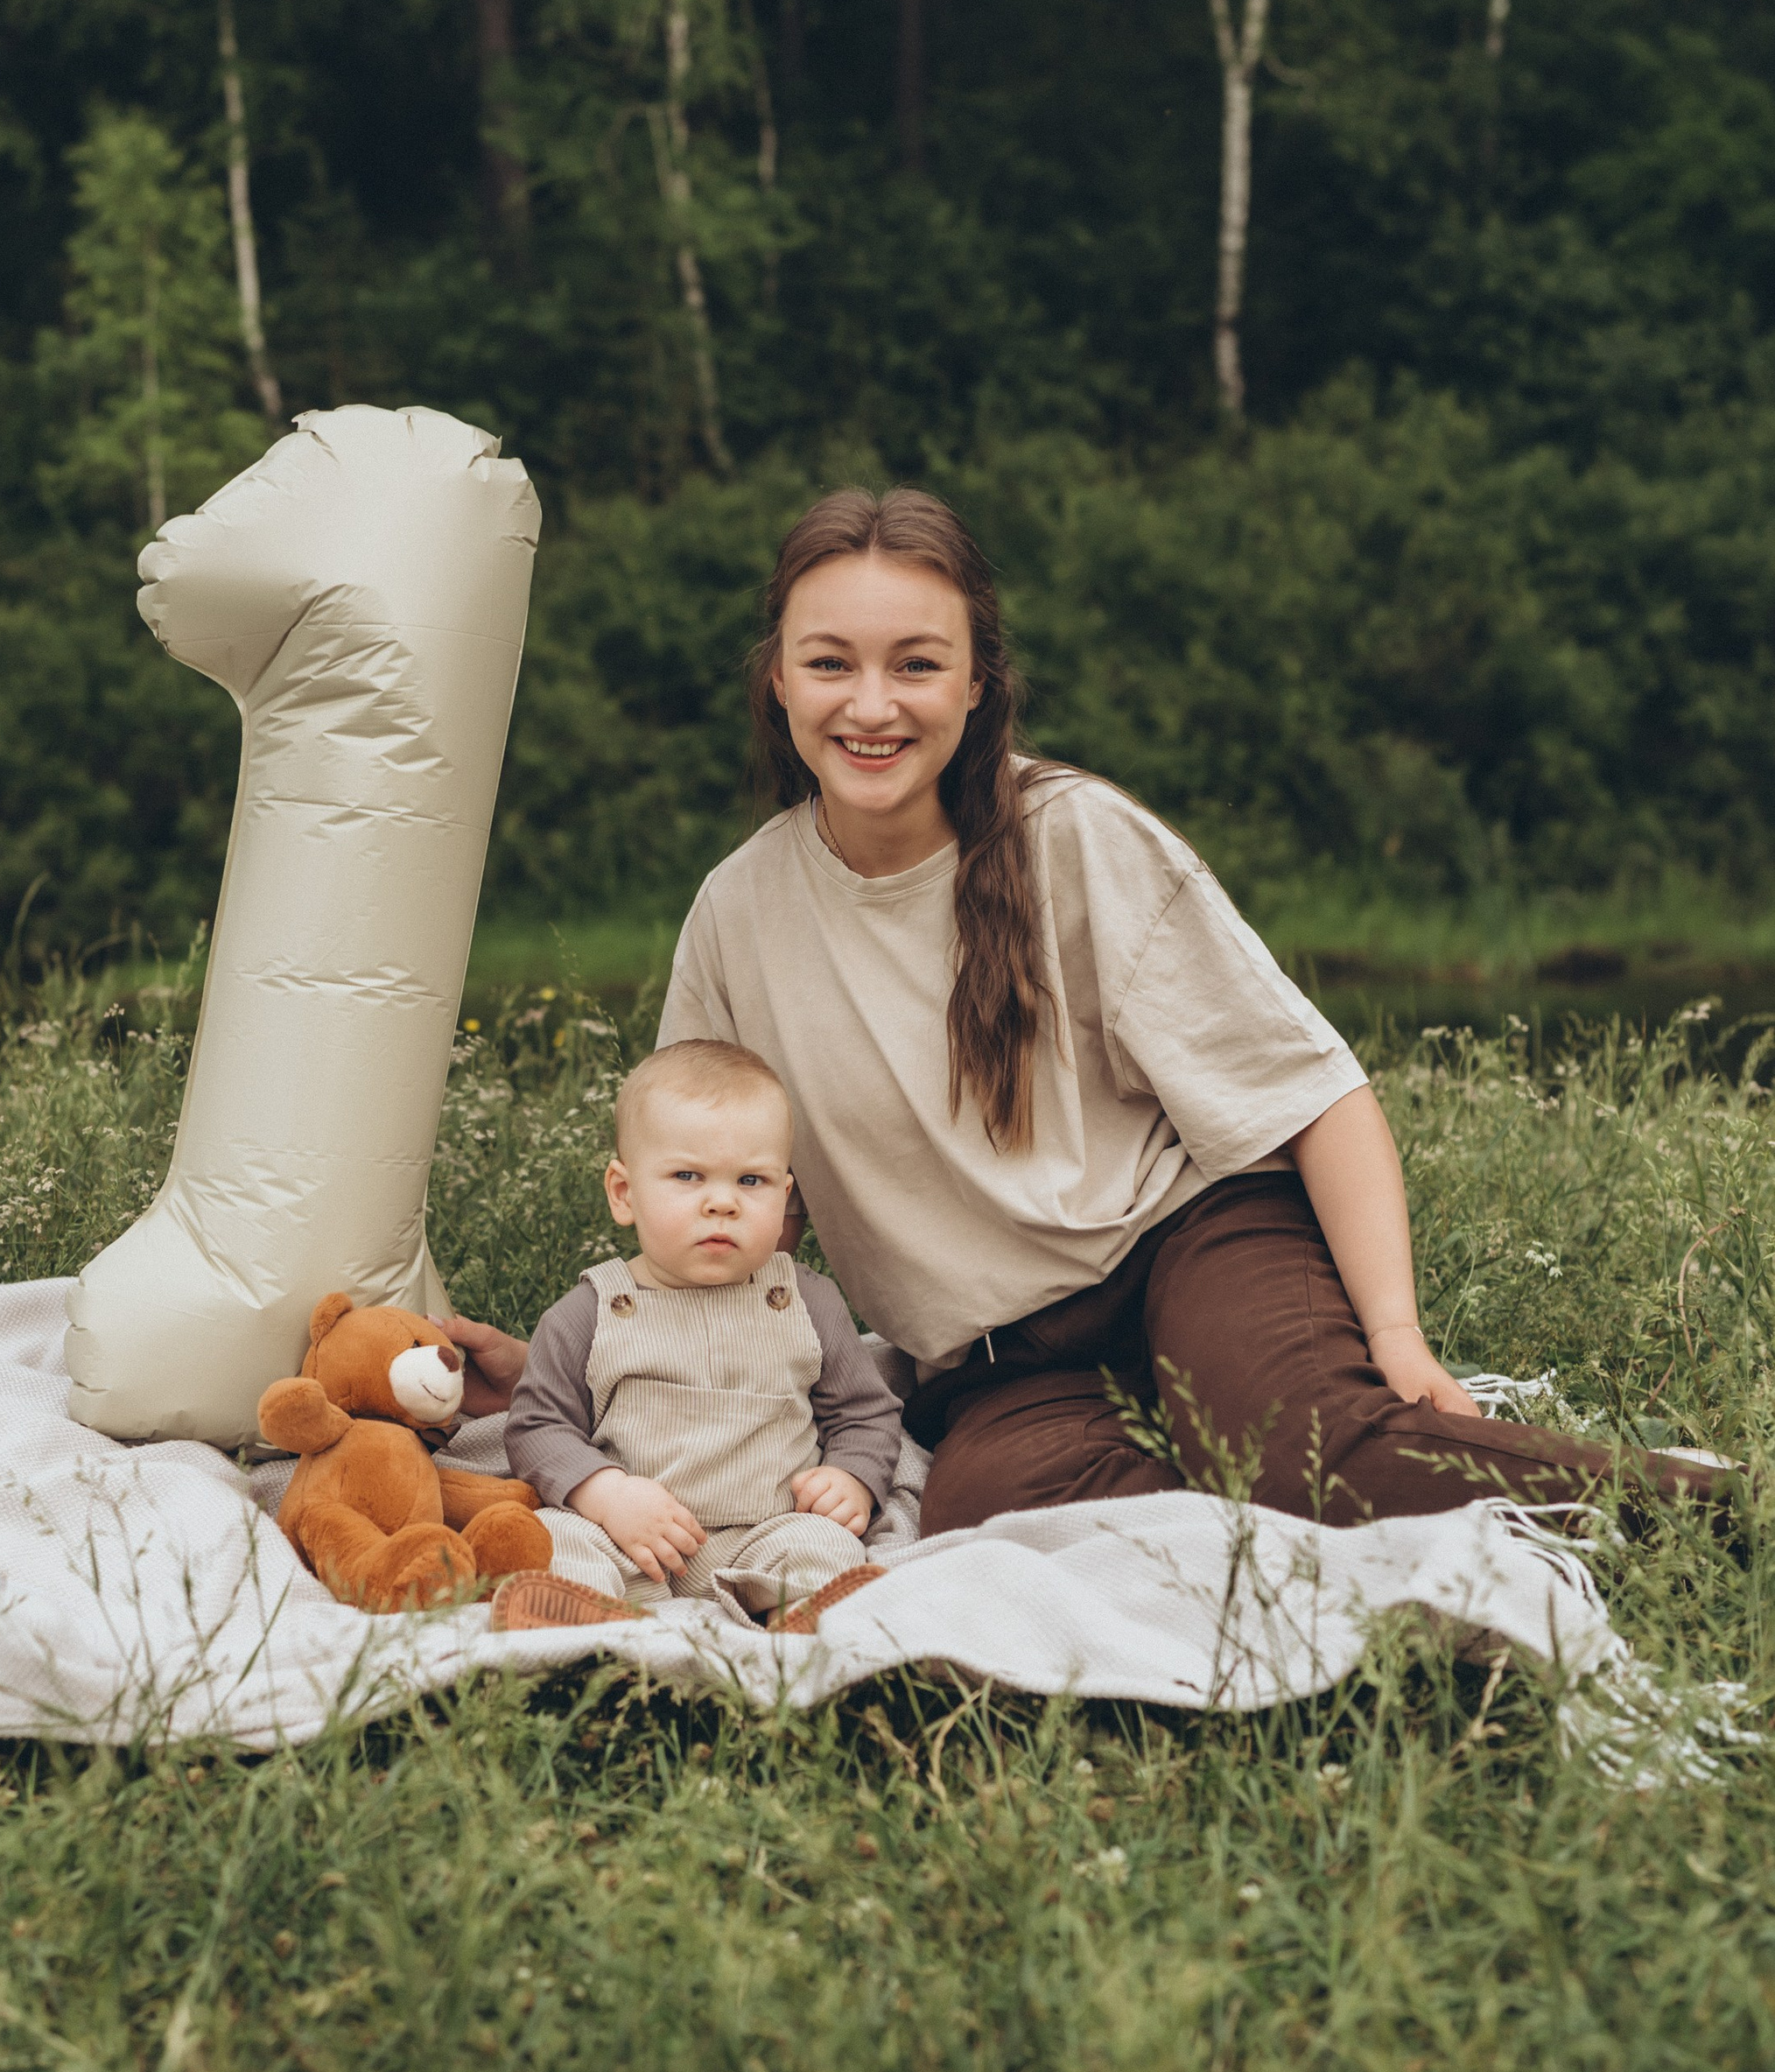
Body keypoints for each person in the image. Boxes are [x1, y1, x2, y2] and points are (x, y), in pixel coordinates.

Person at [454, 485, 1723, 1540]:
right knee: (994, 1517)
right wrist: (581, 1363)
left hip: (1189, 1239)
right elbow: (703, 1185)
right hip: (1000, 1359)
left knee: (1311, 1458)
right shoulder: (737, 913)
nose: (872, 704)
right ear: (778, 682)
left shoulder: (1080, 837)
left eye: (917, 664)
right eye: (829, 662)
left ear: (975, 684)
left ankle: (1710, 1518)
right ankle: (1276, 1564)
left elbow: (1316, 1091)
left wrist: (1397, 1339)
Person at [490, 1039, 902, 1632]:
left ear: (785, 1197)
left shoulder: (807, 1302)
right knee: (557, 1535)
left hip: (768, 1531)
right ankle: (581, 1611)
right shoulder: (591, 1312)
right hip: (630, 1538)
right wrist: (606, 1495)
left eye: (751, 1180)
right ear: (624, 1193)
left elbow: (865, 1412)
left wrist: (853, 1476)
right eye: (688, 1175)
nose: (721, 1202)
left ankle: (801, 1609)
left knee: (828, 1543)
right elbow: (536, 1426)